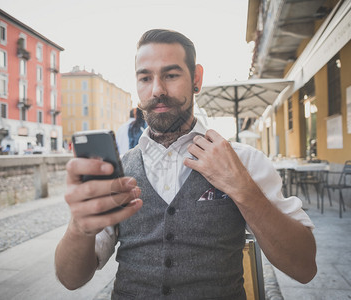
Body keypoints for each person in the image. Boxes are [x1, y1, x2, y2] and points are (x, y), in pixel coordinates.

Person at [55, 29, 317, 299]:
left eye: (171, 75)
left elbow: (304, 267)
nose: (157, 90)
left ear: (197, 78)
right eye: (145, 77)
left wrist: (243, 188)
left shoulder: (244, 160)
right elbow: (71, 279)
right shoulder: (119, 171)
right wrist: (79, 226)